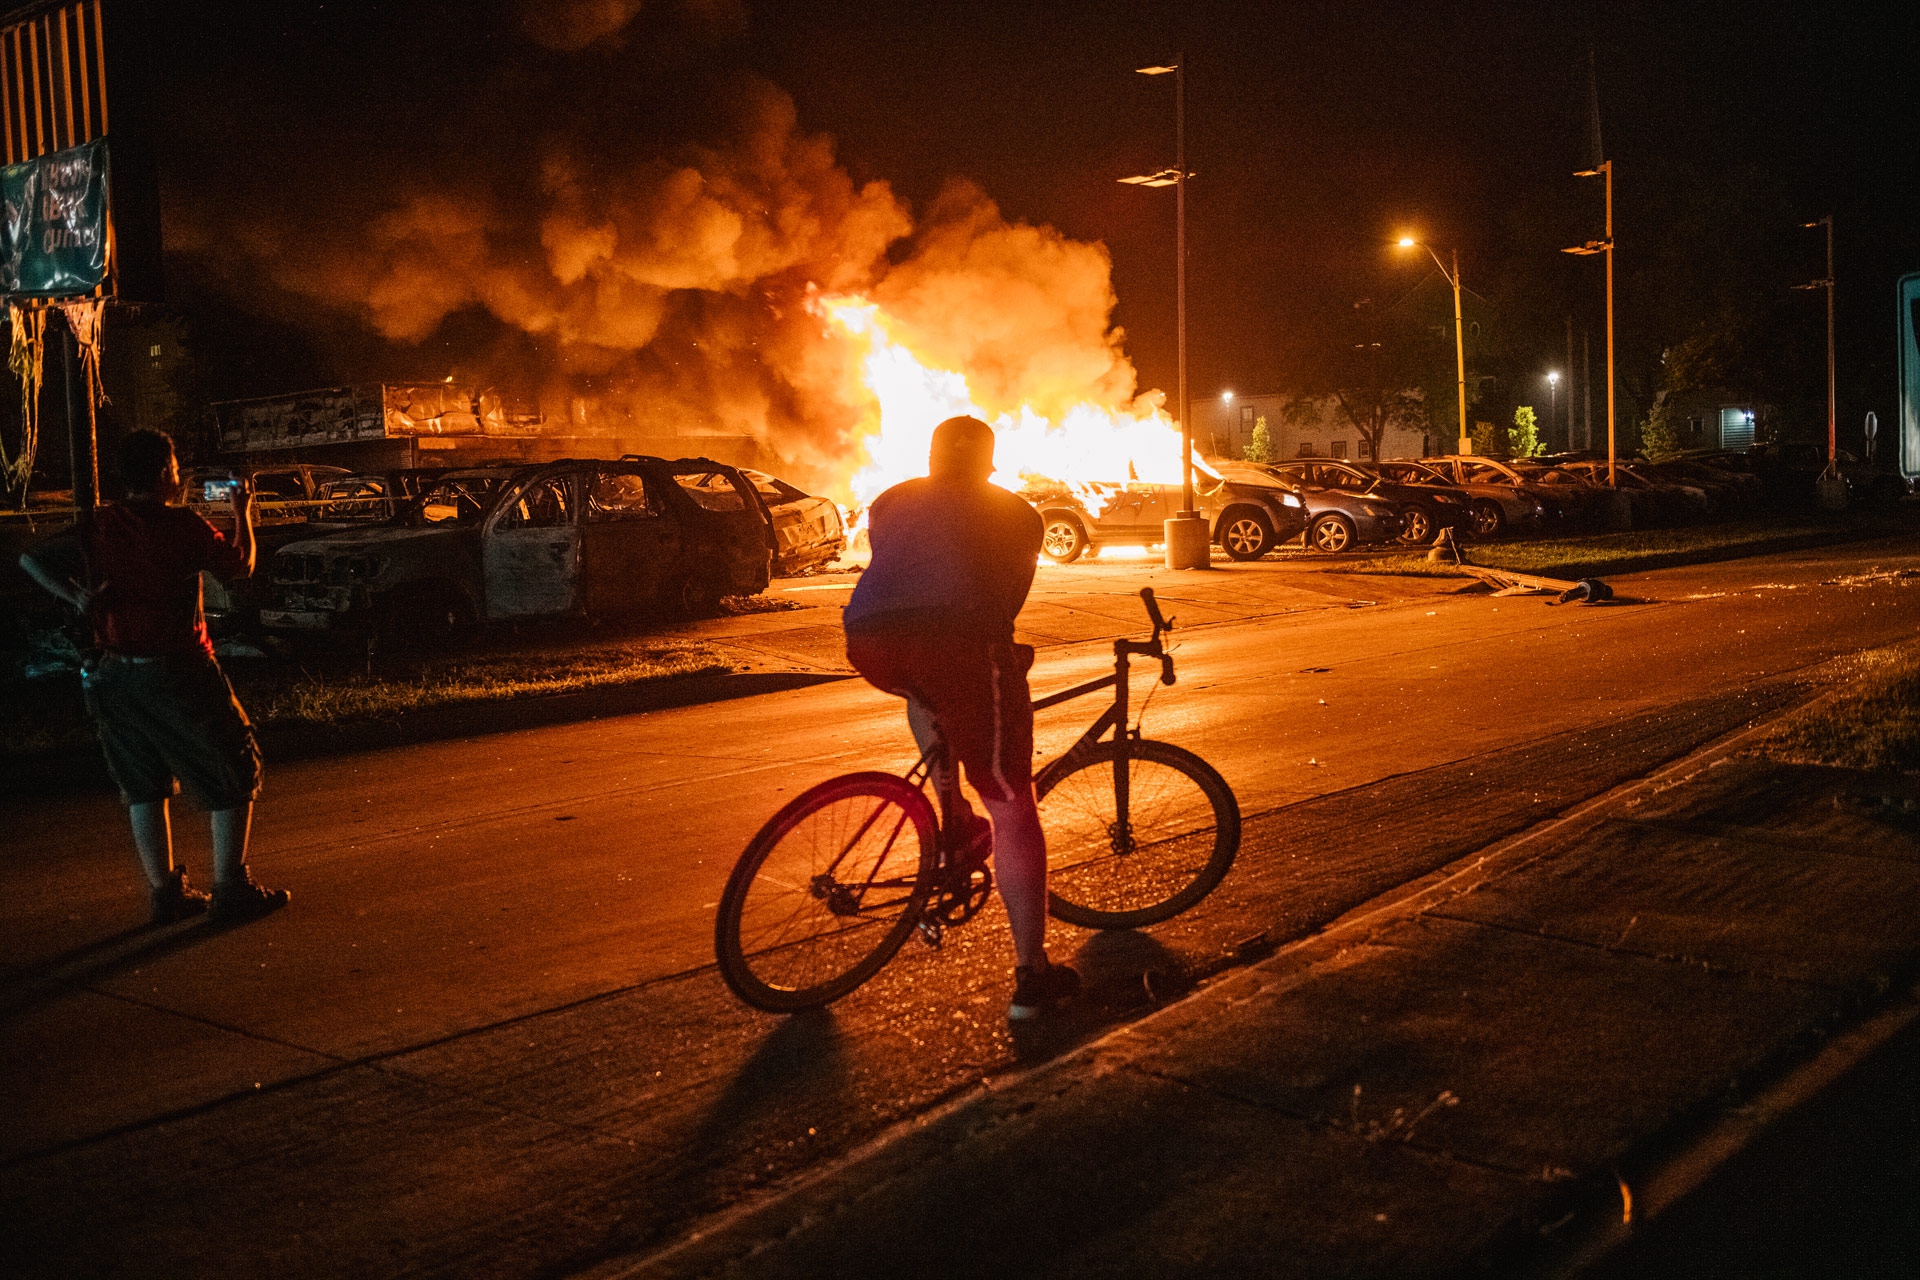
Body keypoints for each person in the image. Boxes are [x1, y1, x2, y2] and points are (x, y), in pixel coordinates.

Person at [842, 415, 1079, 1020]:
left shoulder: (890, 499)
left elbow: (894, 571)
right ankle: (1032, 976)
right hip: (959, 644)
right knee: (1010, 798)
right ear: (989, 463)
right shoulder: (1018, 513)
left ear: (930, 456)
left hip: (869, 641)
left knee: (927, 693)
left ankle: (948, 822)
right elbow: (1005, 602)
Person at [18, 429, 288, 927]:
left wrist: (76, 595)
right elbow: (241, 568)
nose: (180, 474)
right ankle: (231, 887)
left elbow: (29, 558)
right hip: (179, 668)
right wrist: (241, 511)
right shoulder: (181, 526)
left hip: (112, 674)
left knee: (143, 784)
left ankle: (165, 893)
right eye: (176, 465)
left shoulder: (101, 524)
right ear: (165, 471)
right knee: (233, 765)